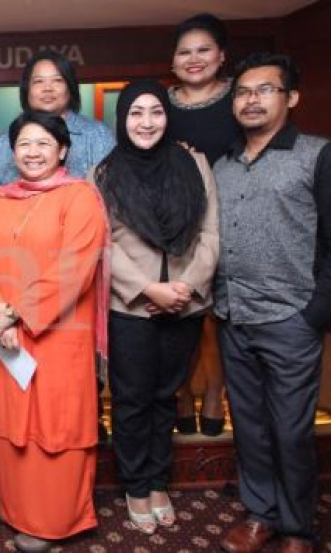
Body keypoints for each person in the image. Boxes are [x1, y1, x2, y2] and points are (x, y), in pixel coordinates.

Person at [0, 110, 109, 552]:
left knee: (57, 424)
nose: (33, 152)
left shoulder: (80, 197)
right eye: (24, 144)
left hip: (59, 334)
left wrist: (15, 313)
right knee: (17, 423)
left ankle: (54, 520)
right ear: (13, 152)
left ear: (63, 150)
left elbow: (75, 269)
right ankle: (18, 509)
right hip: (9, 336)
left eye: (43, 144)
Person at [215, 53, 330, 553]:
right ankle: (260, 514)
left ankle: (298, 528)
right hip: (233, 315)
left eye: (265, 90)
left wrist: (315, 313)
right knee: (251, 426)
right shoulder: (223, 164)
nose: (252, 100)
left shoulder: (317, 155)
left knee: (291, 430)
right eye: (243, 92)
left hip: (291, 318)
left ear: (291, 97)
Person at [93, 80, 219, 535]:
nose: (146, 122)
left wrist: (187, 285)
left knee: (167, 395)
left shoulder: (194, 163)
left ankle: (158, 479)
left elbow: (210, 232)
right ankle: (135, 485)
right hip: (131, 305)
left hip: (185, 301)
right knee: (132, 400)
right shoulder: (103, 174)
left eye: (156, 112)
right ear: (122, 120)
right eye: (136, 113)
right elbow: (102, 244)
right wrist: (149, 288)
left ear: (168, 117)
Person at [168, 13, 242, 437]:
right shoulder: (162, 105)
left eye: (203, 50)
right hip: (178, 223)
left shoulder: (240, 98)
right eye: (185, 52)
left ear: (221, 56)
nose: (194, 59)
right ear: (173, 60)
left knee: (218, 315)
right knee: (182, 312)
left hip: (233, 216)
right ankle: (182, 392)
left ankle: (215, 392)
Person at [0, 49, 115, 183]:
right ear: (26, 89)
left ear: (70, 87)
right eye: (39, 81)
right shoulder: (2, 142)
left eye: (57, 80)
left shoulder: (98, 135)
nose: (47, 88)